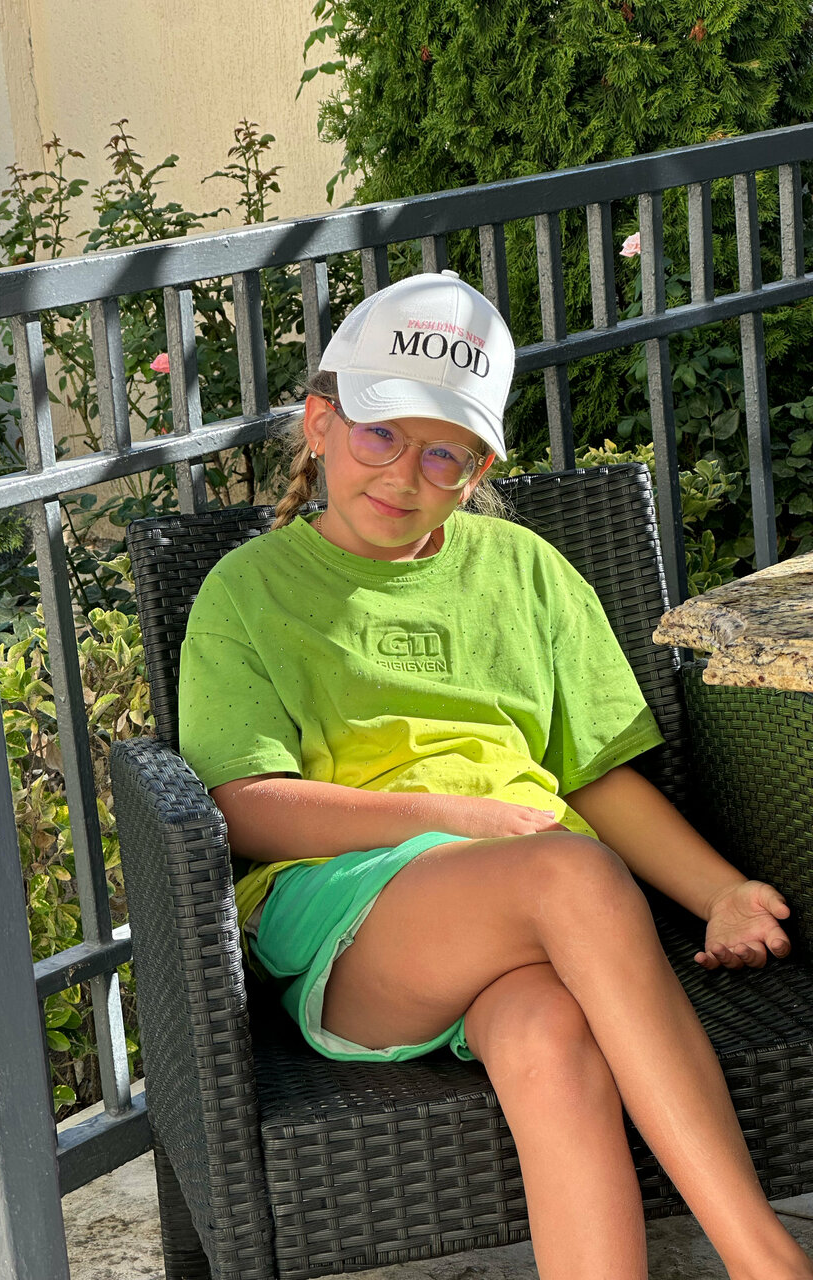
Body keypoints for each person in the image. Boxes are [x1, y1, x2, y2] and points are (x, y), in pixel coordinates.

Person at [178, 270, 812, 1280]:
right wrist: (455, 818)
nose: (406, 475)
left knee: (546, 1031)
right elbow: (245, 808)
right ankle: (768, 1260)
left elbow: (595, 777)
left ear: (476, 469)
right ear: (320, 424)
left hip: (533, 906)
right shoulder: (247, 592)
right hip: (354, 922)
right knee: (571, 868)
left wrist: (722, 891)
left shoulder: (525, 568)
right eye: (381, 434)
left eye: (446, 454)